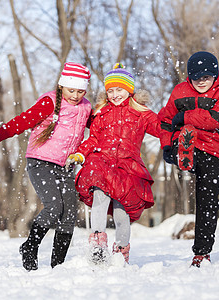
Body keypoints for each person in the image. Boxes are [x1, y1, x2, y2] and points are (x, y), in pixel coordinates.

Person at [0, 62, 92, 271]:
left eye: (80, 91)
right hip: (40, 162)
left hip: (65, 166)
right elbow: (22, 121)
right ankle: (30, 246)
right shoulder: (49, 102)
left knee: (69, 212)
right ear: (62, 86)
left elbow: (100, 127)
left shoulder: (86, 107)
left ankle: (58, 264)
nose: (75, 95)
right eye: (71, 90)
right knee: (54, 207)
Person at [66, 64, 160, 264]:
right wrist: (80, 154)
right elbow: (93, 139)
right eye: (110, 90)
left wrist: (178, 131)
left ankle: (121, 251)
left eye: (119, 89)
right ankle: (98, 243)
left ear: (129, 89)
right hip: (103, 161)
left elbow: (162, 128)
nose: (115, 94)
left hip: (128, 167)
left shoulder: (141, 113)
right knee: (100, 195)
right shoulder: (101, 113)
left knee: (121, 211)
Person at [158, 51, 219, 267]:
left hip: (212, 149)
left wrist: (184, 117)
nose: (201, 81)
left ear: (215, 75)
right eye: (196, 77)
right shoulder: (179, 91)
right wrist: (165, 144)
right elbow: (164, 120)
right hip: (185, 143)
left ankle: (202, 251)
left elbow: (215, 120)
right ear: (189, 76)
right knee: (183, 134)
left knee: (207, 199)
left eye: (206, 77)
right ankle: (182, 153)